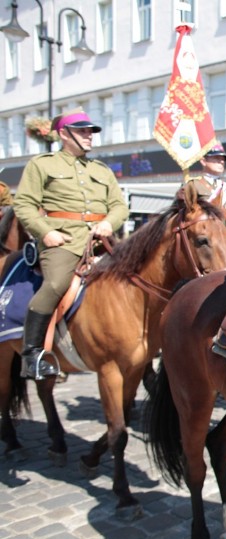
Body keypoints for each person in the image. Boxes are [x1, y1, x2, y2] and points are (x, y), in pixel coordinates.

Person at [13, 107, 129, 380]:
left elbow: (119, 206)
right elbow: (24, 204)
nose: (89, 136)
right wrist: (45, 233)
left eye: (91, 131)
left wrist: (109, 223)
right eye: (82, 131)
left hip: (103, 241)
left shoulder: (101, 169)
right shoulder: (42, 164)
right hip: (63, 240)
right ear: (64, 134)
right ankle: (32, 355)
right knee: (55, 285)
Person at [195, 143, 226, 236]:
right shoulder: (193, 185)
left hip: (225, 239)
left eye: (223, 159)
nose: (221, 162)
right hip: (200, 239)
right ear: (203, 161)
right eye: (216, 158)